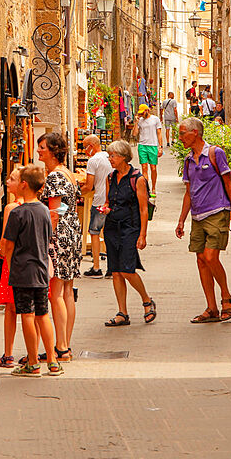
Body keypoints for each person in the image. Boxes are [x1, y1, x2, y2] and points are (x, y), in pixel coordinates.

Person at [175, 118, 231, 324]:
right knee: (201, 260)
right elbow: (188, 193)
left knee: (211, 256)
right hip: (197, 215)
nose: (180, 138)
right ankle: (211, 308)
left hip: (217, 211)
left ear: (195, 132)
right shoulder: (188, 160)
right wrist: (181, 221)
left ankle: (226, 297)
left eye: (182, 133)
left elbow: (228, 182)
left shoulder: (215, 153)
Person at [0, 165, 63, 377]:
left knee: (27, 314)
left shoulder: (18, 213)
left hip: (23, 270)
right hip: (42, 269)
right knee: (43, 314)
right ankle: (53, 361)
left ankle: (33, 361)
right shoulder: (45, 210)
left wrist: (9, 262)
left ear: (24, 184)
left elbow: (8, 244)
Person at [102, 140, 156, 327]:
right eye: (109, 156)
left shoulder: (138, 179)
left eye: (113, 156)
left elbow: (143, 209)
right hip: (111, 227)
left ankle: (147, 300)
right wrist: (106, 208)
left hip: (130, 228)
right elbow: (109, 201)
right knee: (115, 271)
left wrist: (143, 235)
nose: (110, 159)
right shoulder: (110, 177)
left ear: (124, 157)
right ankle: (122, 312)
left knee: (127, 270)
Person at [38, 131, 82, 360]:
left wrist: (46, 239)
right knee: (66, 290)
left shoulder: (55, 176)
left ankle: (61, 347)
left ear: (54, 150)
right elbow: (66, 205)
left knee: (55, 292)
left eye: (43, 147)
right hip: (73, 231)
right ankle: (65, 344)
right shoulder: (68, 174)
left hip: (60, 235)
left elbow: (54, 213)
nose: (38, 151)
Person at [0, 167, 25, 368]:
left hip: (12, 263)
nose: (7, 182)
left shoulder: (11, 208)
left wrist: (1, 252)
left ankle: (8, 353)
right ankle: (32, 354)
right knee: (32, 311)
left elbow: (6, 239)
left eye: (11, 178)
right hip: (30, 264)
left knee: (11, 310)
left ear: (22, 184)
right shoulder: (37, 206)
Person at [81, 135, 112, 277]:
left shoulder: (93, 161)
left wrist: (76, 192)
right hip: (111, 201)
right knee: (109, 234)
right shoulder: (109, 157)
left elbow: (88, 186)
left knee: (94, 232)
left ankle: (96, 266)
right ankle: (112, 267)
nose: (84, 150)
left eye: (85, 146)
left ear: (91, 146)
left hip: (99, 201)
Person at [133, 103, 163, 196]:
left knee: (153, 168)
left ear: (147, 111)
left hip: (153, 145)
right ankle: (146, 188)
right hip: (142, 145)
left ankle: (153, 187)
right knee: (144, 167)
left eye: (142, 113)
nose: (141, 115)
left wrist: (160, 147)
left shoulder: (155, 119)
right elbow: (134, 134)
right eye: (140, 113)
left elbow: (159, 133)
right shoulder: (140, 121)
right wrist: (136, 122)